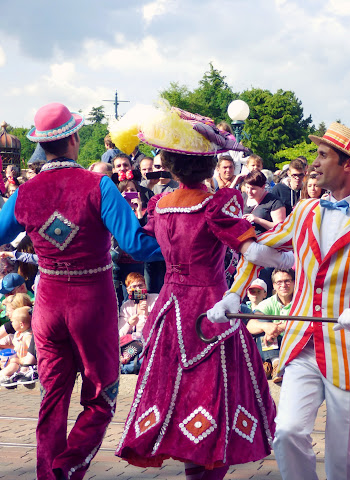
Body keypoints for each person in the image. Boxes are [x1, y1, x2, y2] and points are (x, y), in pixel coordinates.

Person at [209, 122, 350, 480]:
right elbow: (259, 250)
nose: (314, 162)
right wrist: (234, 293)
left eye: (323, 155)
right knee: (287, 433)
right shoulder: (305, 211)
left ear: (348, 165)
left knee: (343, 458)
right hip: (301, 343)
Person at [109, 102, 289, 478]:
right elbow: (250, 249)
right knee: (214, 394)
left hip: (170, 310)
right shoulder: (216, 203)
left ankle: (192, 464)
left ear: (171, 165)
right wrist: (293, 258)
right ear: (209, 165)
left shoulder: (160, 204)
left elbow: (140, 244)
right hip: (210, 308)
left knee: (177, 393)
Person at [0, 102, 164, 480]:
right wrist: (175, 237)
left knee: (52, 397)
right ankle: (66, 467)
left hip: (48, 307)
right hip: (93, 305)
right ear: (73, 139)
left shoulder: (24, 193)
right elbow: (136, 246)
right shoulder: (99, 186)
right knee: (102, 398)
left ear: (43, 145)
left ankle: (48, 473)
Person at [248, 268, 295, 383]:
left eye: (287, 281)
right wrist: (266, 327)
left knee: (267, 328)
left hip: (293, 341)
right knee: (261, 323)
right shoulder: (268, 302)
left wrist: (278, 328)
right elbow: (250, 325)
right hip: (275, 344)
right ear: (274, 285)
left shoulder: (301, 300)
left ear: (294, 283)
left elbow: (307, 322)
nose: (283, 285)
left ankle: (267, 364)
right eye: (279, 282)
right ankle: (276, 364)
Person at [0, 305, 37, 388]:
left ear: (21, 324)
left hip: (25, 364)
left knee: (13, 365)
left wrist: (18, 360)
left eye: (12, 321)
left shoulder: (28, 336)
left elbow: (31, 354)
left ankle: (4, 377)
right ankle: (8, 378)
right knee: (10, 363)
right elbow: (17, 348)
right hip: (18, 360)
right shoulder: (18, 334)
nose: (11, 323)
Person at [242, 170, 286, 235]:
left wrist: (258, 220)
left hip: (262, 240)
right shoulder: (243, 196)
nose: (249, 191)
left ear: (263, 187)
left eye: (253, 189)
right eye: (247, 187)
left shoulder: (275, 202)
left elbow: (280, 228)